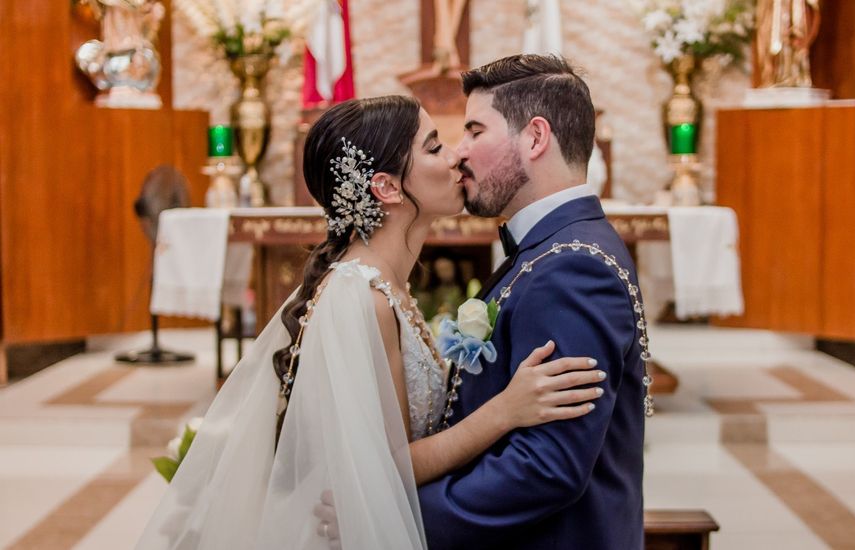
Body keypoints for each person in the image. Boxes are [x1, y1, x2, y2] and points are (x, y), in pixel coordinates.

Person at [136, 94, 606, 550]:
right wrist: (505, 410)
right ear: (387, 187)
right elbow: (389, 463)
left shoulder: (387, 286)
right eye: (434, 147)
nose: (456, 157)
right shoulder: (361, 296)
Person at [413, 54, 652, 549]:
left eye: (475, 131)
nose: (460, 153)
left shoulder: (570, 268)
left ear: (535, 138)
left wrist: (407, 515)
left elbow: (547, 466)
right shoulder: (559, 247)